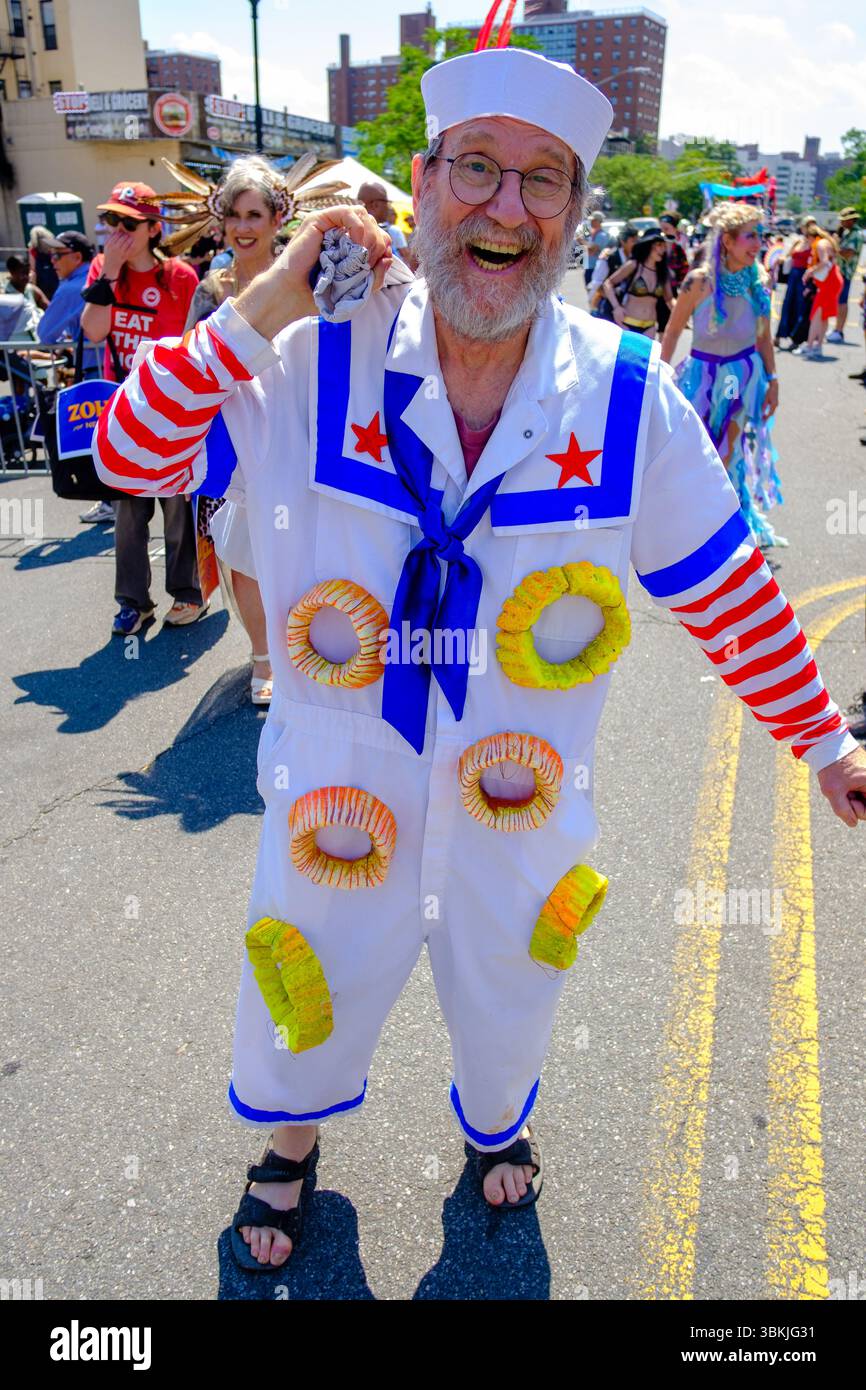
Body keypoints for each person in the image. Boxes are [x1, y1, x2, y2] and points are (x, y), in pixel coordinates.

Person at [94, 44, 866, 1272]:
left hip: (518, 802)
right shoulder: (306, 350)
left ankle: (496, 1123)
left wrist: (824, 742)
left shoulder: (623, 396)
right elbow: (130, 459)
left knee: (513, 985)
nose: (505, 207)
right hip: (334, 799)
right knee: (308, 984)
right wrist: (274, 289)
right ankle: (288, 1144)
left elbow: (730, 591)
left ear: (574, 212)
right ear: (420, 179)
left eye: (543, 181)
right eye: (476, 169)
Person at [183, 155, 293, 706]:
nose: (243, 227)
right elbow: (193, 363)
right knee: (243, 547)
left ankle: (307, 641)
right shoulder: (209, 289)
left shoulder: (306, 276)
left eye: (255, 214)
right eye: (234, 215)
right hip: (232, 434)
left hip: (296, 426)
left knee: (298, 541)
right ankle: (263, 656)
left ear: (278, 219)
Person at [80, 180, 203, 636]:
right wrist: (110, 271)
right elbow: (93, 331)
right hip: (123, 410)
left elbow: (190, 342)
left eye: (127, 222)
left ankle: (187, 593)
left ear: (154, 228)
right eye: (112, 220)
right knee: (128, 512)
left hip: (171, 407)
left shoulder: (181, 277)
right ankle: (133, 602)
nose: (117, 230)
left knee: (176, 506)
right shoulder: (102, 269)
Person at [660, 201, 783, 548]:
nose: (758, 243)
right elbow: (671, 332)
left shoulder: (759, 282)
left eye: (759, 235)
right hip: (700, 377)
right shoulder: (699, 282)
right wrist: (661, 373)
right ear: (726, 241)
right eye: (750, 236)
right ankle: (688, 517)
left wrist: (773, 381)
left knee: (726, 449)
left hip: (739, 380)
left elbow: (763, 338)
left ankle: (718, 525)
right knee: (695, 449)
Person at [602, 227, 672, 338]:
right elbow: (608, 283)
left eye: (664, 246)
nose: (663, 249)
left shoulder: (663, 272)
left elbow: (669, 299)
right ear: (649, 245)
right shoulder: (634, 265)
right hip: (627, 324)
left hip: (650, 327)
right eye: (659, 245)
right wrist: (616, 307)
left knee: (645, 356)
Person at [794, 222, 843, 359]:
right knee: (823, 316)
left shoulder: (820, 244)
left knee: (816, 315)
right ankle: (818, 346)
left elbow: (824, 261)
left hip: (828, 283)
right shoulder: (825, 242)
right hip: (832, 281)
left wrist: (810, 271)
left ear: (811, 236)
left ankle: (810, 346)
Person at [774, 220, 813, 348]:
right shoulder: (798, 241)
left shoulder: (815, 243)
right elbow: (788, 256)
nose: (807, 228)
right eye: (806, 225)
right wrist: (779, 260)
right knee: (787, 304)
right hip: (793, 276)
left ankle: (796, 339)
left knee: (800, 306)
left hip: (804, 277)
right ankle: (779, 335)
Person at [827, 208, 862, 344]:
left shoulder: (856, 235)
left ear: (851, 220)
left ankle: (839, 331)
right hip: (841, 271)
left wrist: (835, 245)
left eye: (844, 220)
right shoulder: (849, 233)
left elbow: (848, 253)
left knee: (842, 302)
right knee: (839, 301)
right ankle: (837, 329)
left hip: (846, 272)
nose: (841, 222)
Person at [588, 223, 637, 317]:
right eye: (633, 241)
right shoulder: (608, 258)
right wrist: (613, 298)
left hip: (629, 307)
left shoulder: (636, 258)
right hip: (607, 305)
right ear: (623, 241)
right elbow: (597, 283)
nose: (636, 244)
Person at [357, 182, 408, 260]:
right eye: (387, 202)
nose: (388, 207)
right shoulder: (366, 237)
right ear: (375, 205)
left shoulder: (350, 231)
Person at [27, 225, 58, 302]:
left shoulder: (33, 250)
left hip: (41, 282)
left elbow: (33, 270)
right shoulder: (53, 247)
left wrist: (33, 287)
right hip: (54, 279)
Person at [582, 209, 609, 288]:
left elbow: (591, 251)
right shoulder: (593, 234)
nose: (591, 222)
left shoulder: (602, 235)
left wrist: (581, 241)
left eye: (593, 220)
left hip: (596, 269)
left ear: (598, 221)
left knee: (594, 292)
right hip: (590, 267)